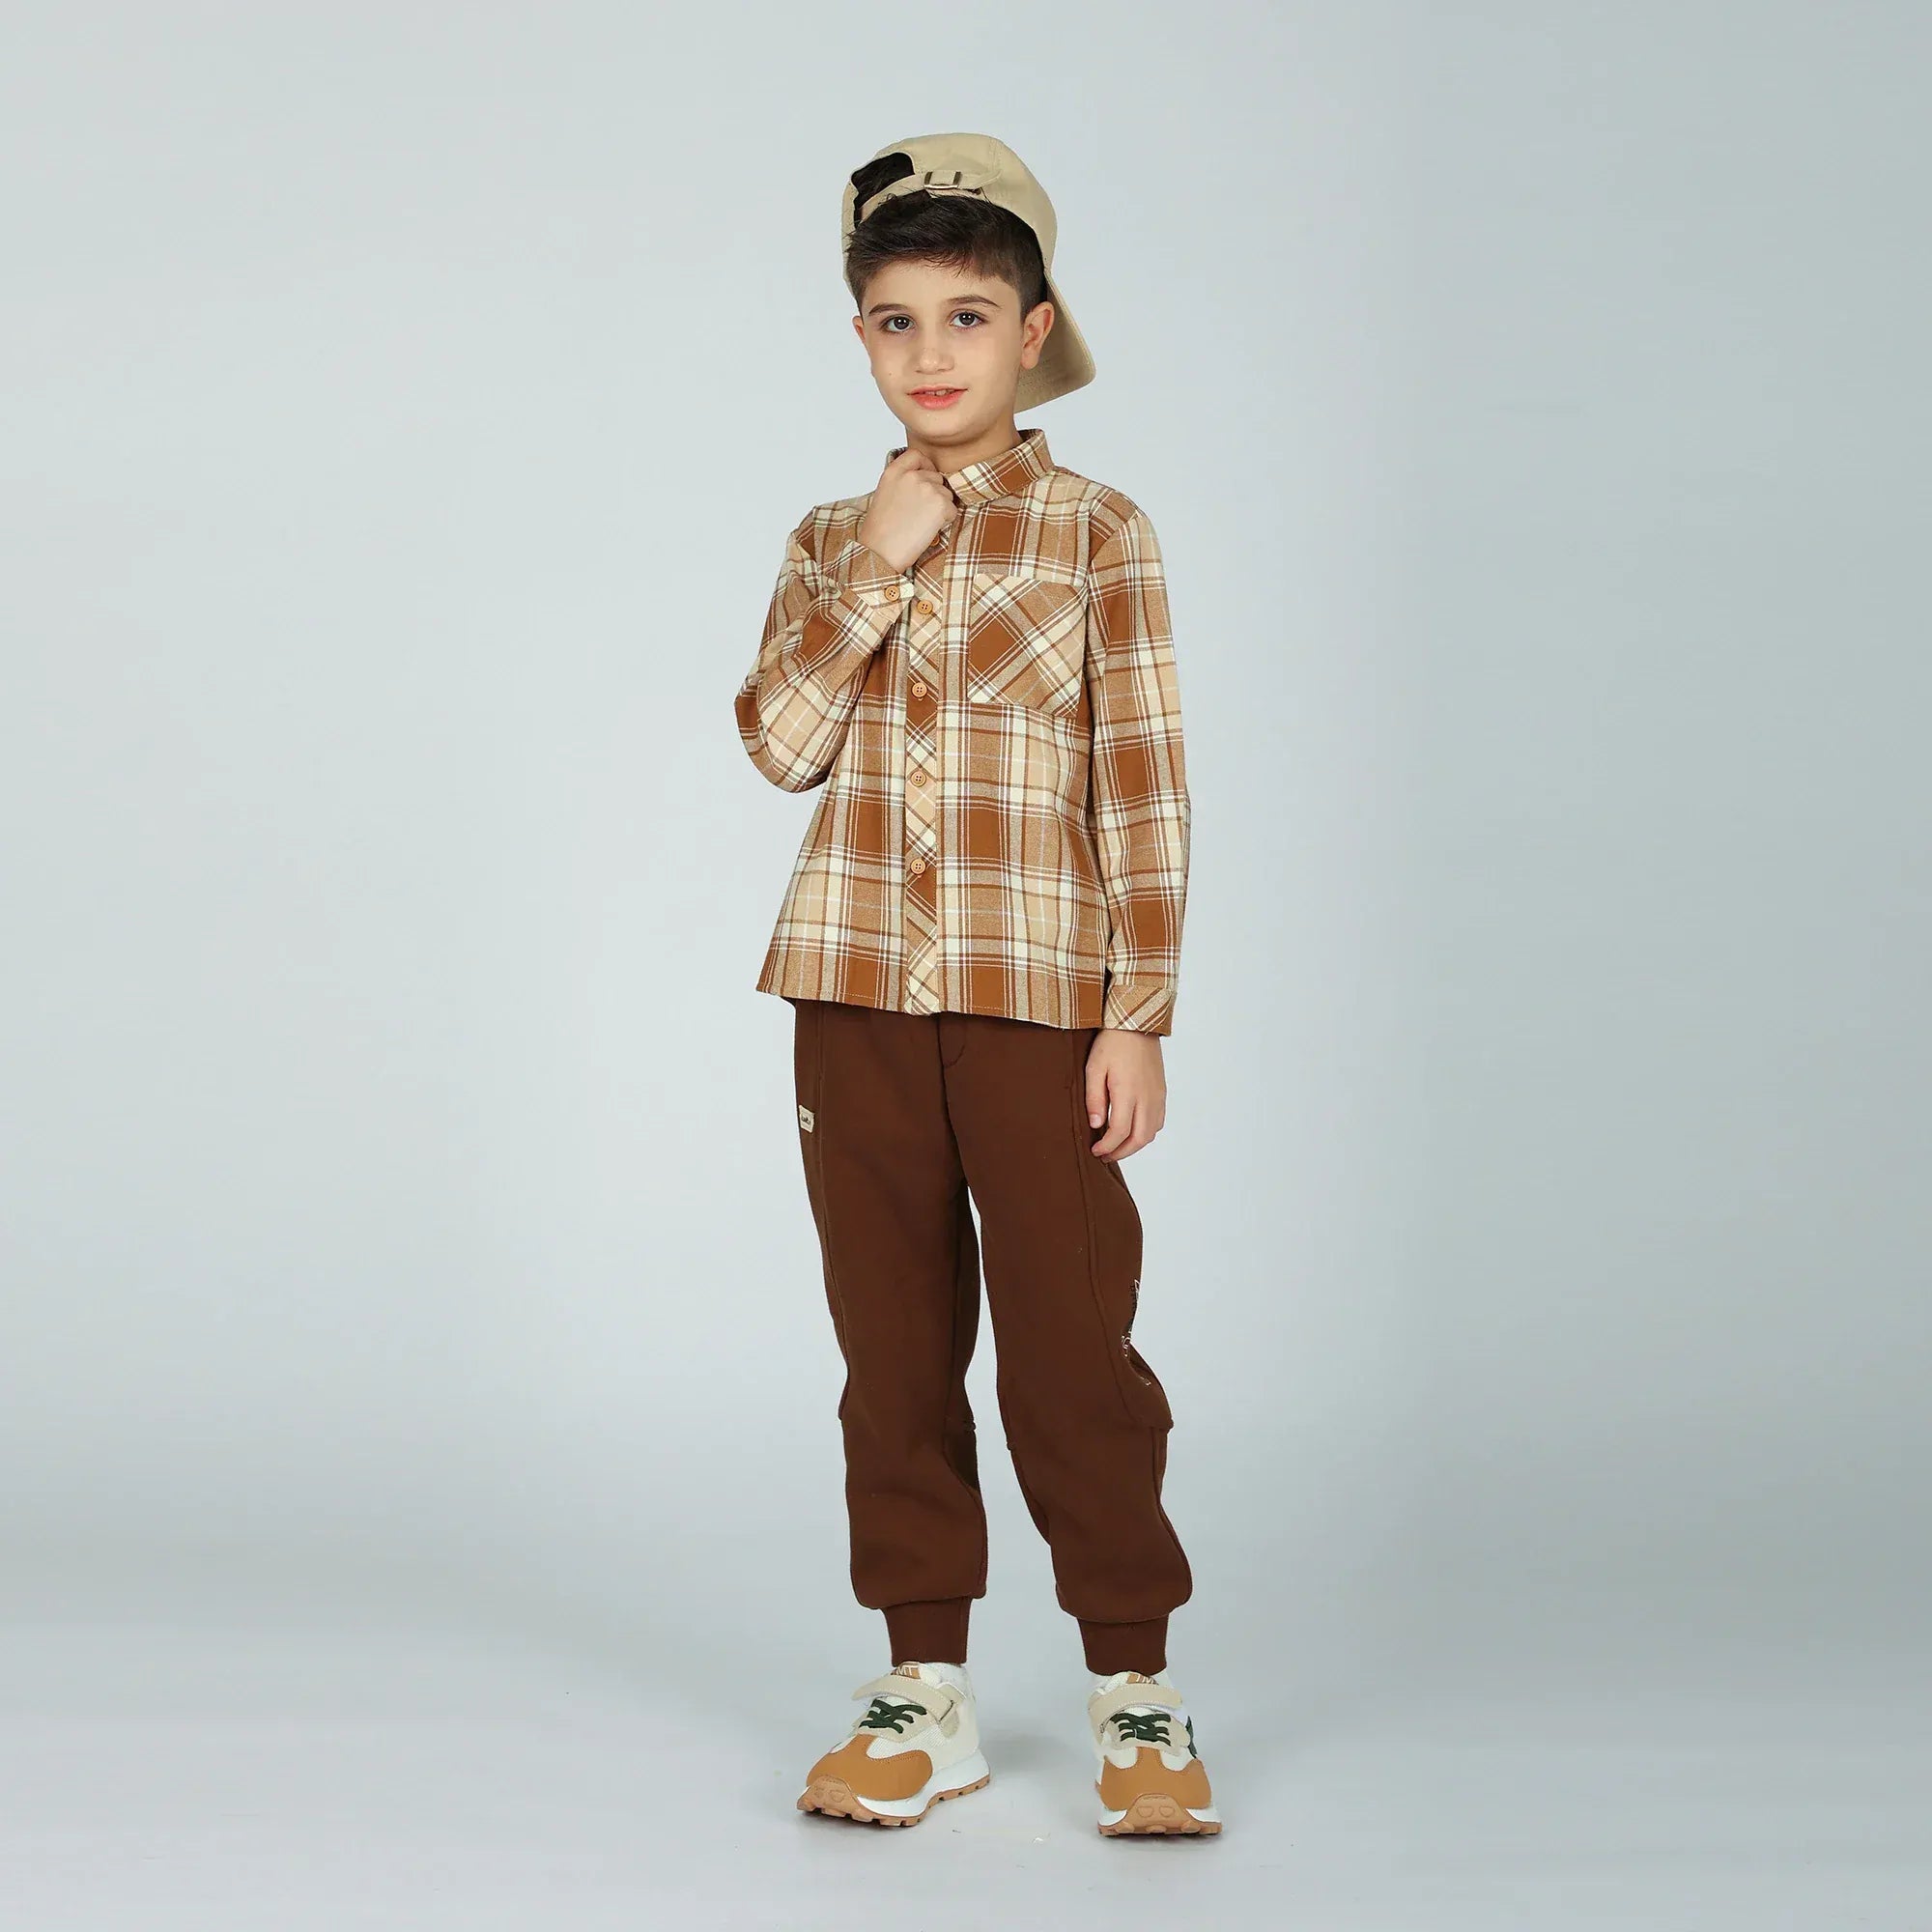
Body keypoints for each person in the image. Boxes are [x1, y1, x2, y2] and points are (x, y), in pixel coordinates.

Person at [732, 132, 1220, 1838]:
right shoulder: (826, 536)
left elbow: (1143, 785)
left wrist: (1138, 1012)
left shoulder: (1100, 534)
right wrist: (877, 559)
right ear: (861, 336)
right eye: (894, 320)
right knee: (891, 1351)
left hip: (1039, 1003)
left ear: (1032, 330)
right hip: (854, 995)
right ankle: (921, 1690)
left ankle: (1135, 1687)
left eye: (965, 316)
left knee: (1073, 1352)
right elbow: (780, 745)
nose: (930, 353)